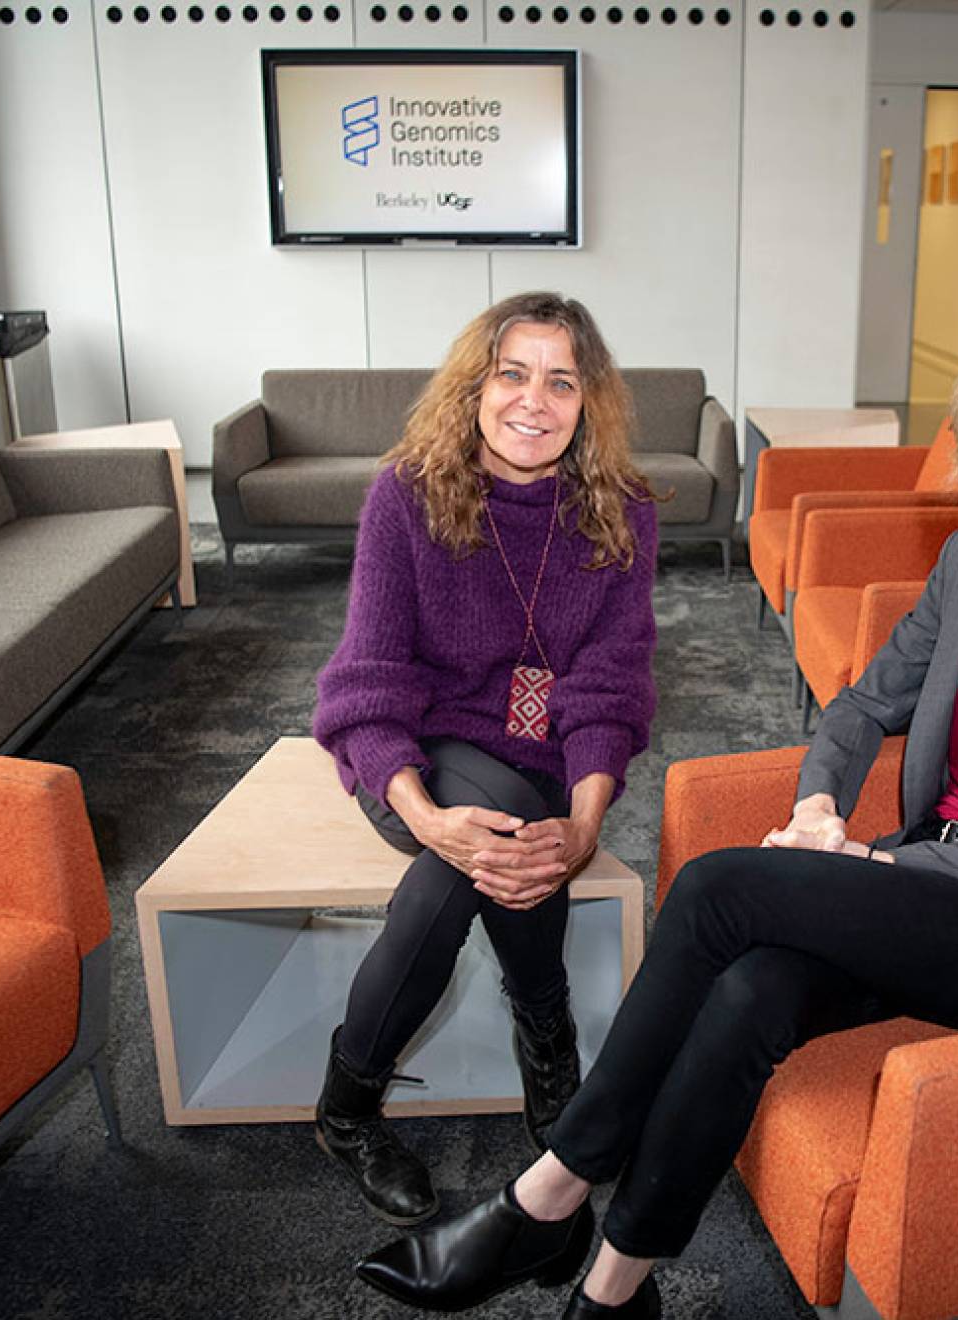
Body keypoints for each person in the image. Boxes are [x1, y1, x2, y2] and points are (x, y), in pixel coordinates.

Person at [352, 327, 958, 1317]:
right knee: (755, 989)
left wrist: (884, 868)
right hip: (935, 882)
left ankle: (548, 1193)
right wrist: (817, 806)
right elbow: (857, 707)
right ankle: (615, 1287)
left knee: (719, 889)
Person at [311, 291, 658, 1228]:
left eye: (561, 381)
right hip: (412, 755)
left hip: (540, 761)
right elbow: (369, 679)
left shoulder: (620, 516)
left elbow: (610, 688)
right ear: (475, 385)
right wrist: (424, 816)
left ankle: (344, 1112)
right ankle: (549, 1033)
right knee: (479, 840)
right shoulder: (407, 494)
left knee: (483, 853)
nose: (532, 401)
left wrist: (586, 825)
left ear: (589, 404)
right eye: (512, 373)